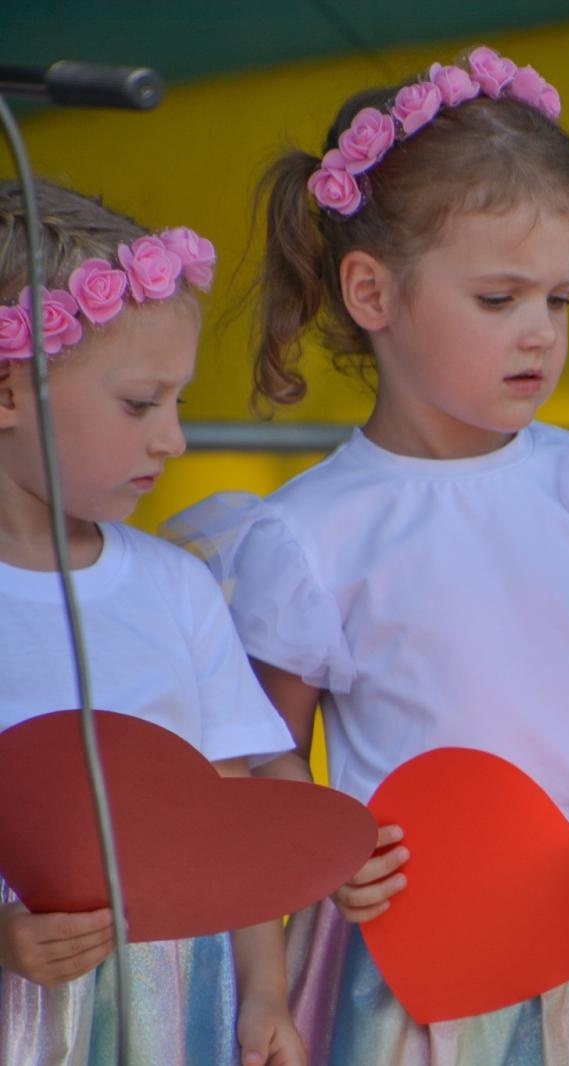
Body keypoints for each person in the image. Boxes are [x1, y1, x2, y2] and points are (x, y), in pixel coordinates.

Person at [163, 47, 569, 1064]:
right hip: (412, 952)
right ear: (373, 293)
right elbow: (265, 753)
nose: (540, 334)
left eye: (558, 299)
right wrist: (329, 845)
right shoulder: (312, 533)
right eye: (499, 299)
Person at [0, 180, 304, 1064]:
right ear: (8, 390)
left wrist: (265, 995)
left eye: (178, 404)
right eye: (140, 404)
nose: (173, 440)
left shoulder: (177, 588)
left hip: (178, 1009)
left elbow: (231, 808)